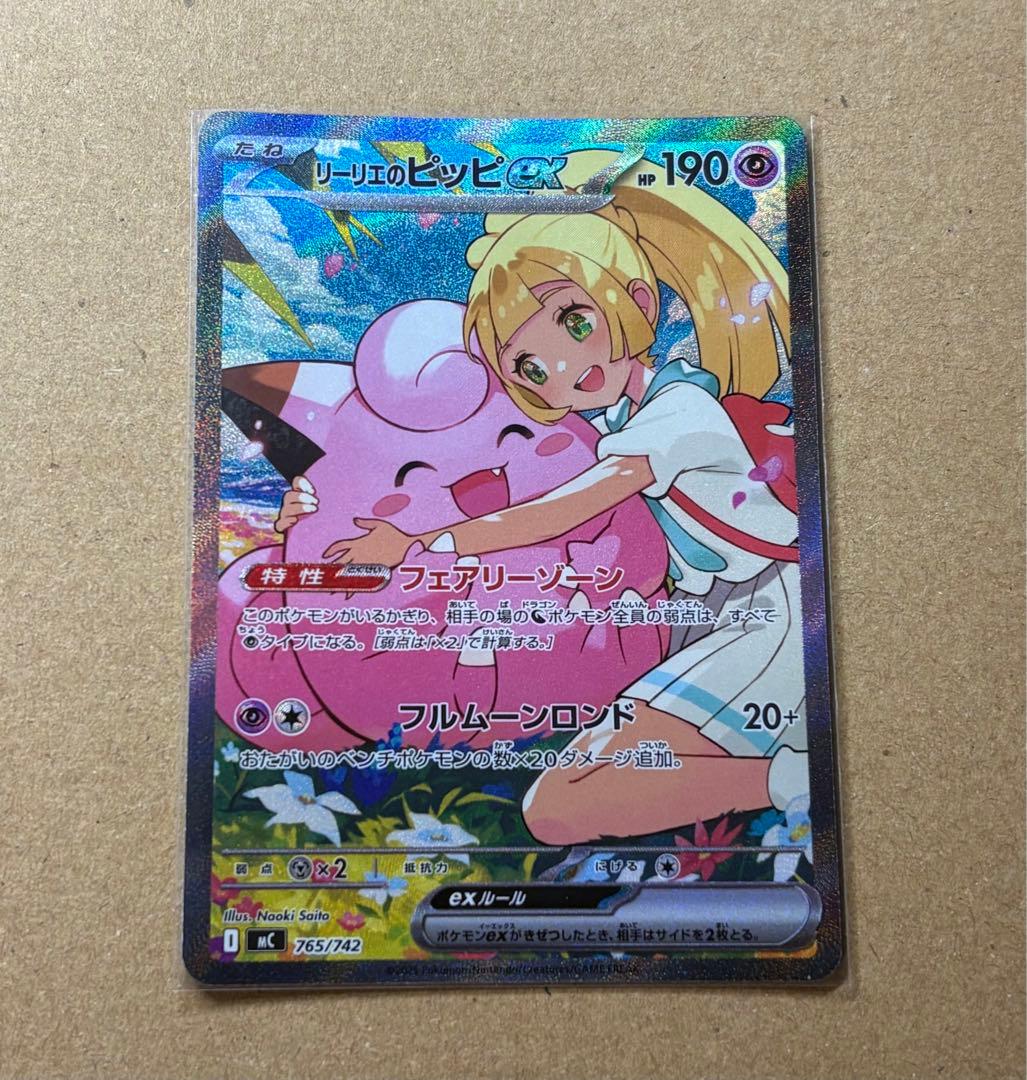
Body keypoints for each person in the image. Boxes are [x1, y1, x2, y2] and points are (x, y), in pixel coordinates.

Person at [315, 151, 810, 843]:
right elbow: (510, 482)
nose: (563, 368)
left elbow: (568, 506)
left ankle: (795, 781)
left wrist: (424, 543)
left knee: (559, 805)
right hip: (702, 617)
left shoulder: (678, 412)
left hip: (767, 616)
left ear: (638, 305)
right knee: (570, 793)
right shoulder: (614, 421)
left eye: (575, 323)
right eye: (529, 365)